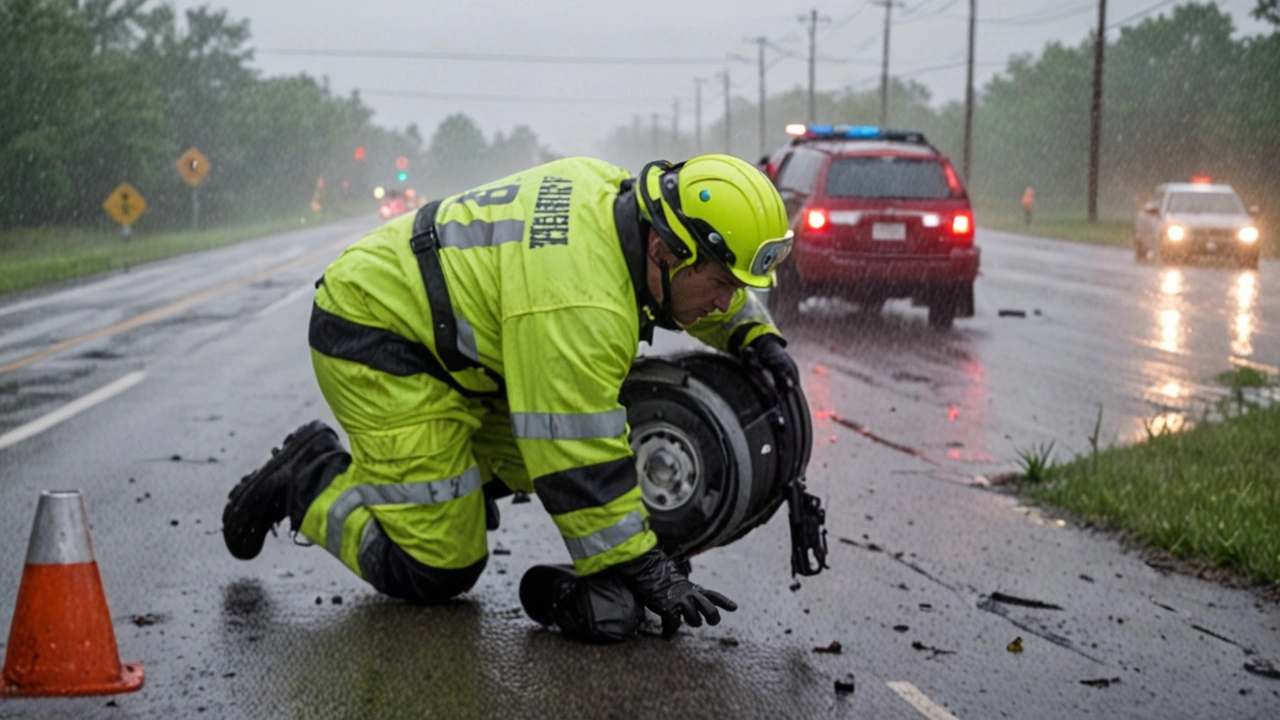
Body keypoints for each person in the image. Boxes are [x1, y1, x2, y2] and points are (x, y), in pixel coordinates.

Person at [221, 153, 800, 644]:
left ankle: (452, 487)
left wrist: (754, 334)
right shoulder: (580, 304)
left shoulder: (615, 196)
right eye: (724, 288)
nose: (726, 303)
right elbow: (577, 459)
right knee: (438, 566)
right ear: (665, 250)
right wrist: (643, 566)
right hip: (381, 338)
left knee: (591, 442)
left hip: (464, 349)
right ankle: (310, 479)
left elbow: (584, 444)